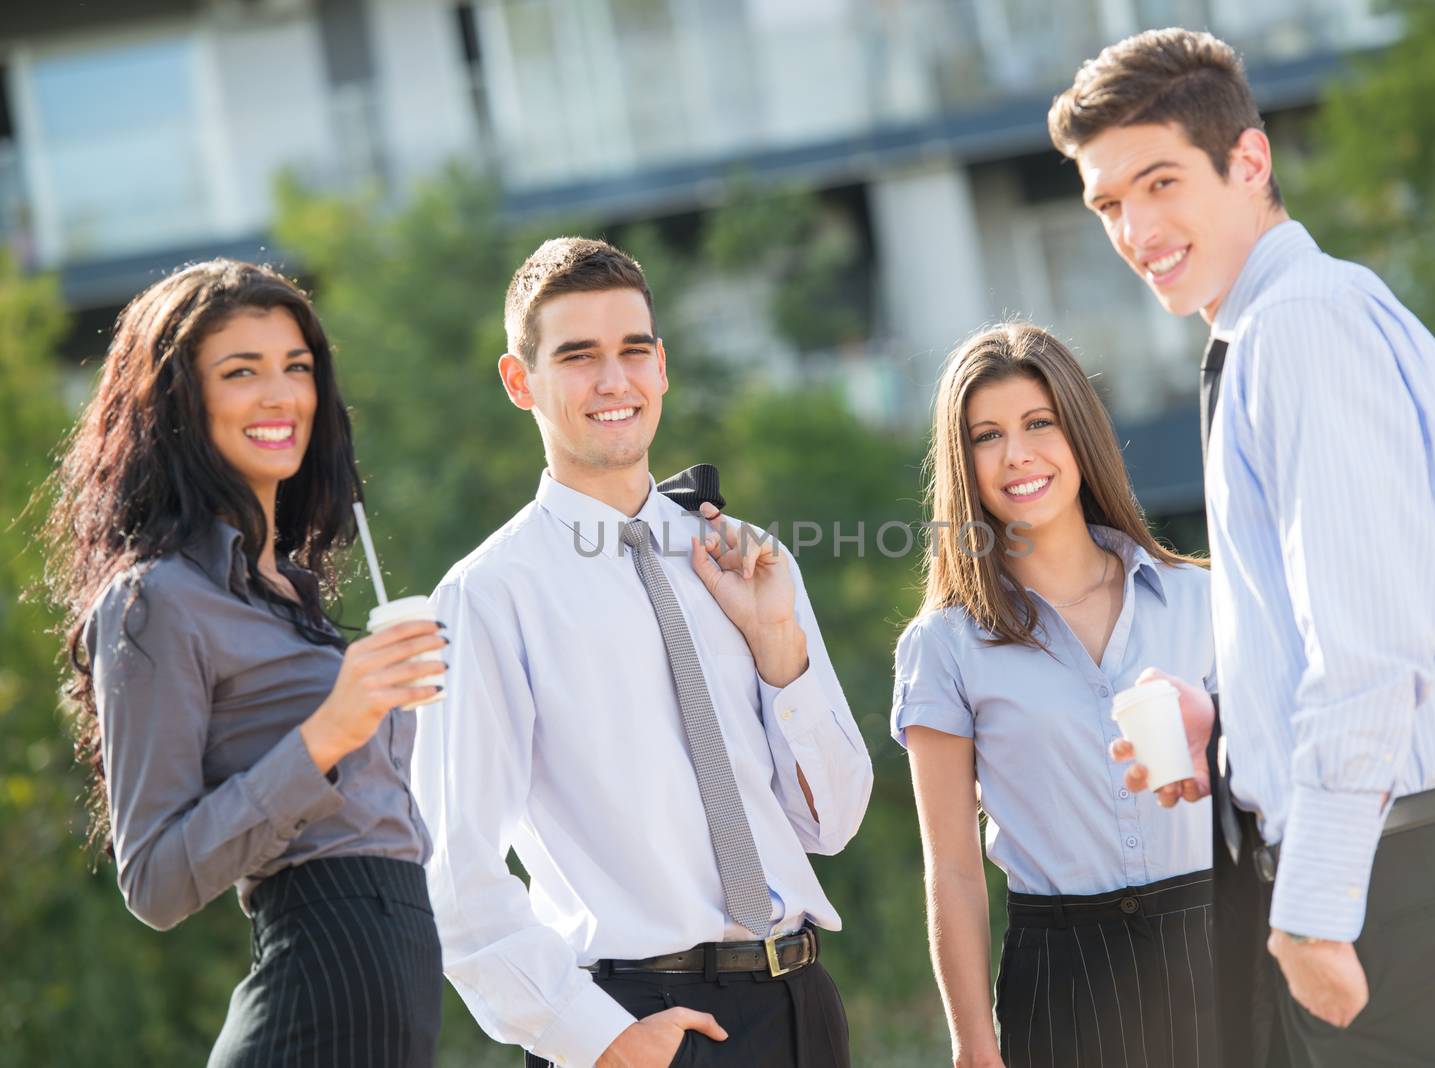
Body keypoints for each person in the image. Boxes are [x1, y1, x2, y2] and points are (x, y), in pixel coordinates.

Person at [1048, 27, 1435, 1067]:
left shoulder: (1299, 332)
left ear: (1249, 160)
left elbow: (1372, 641)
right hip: (1415, 870)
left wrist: (1317, 906)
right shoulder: (1307, 320)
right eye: (1109, 204)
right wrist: (1231, 722)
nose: (1136, 229)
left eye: (1159, 183)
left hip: (1388, 885)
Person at [410, 237, 872, 1068]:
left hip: (800, 1008)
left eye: (632, 352)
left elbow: (832, 823)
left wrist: (779, 647)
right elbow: (451, 864)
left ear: (662, 366)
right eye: (578, 356)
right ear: (522, 382)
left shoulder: (749, 559)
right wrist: (592, 1037)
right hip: (632, 1022)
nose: (613, 381)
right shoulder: (489, 596)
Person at [44, 260, 449, 1066]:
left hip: (395, 988)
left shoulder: (292, 597)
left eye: (297, 368)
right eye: (242, 372)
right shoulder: (157, 599)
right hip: (314, 990)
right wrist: (326, 735)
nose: (281, 396)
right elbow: (155, 881)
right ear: (178, 406)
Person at [893, 323, 1218, 1068]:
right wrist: (973, 1041)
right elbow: (952, 869)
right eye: (986, 435)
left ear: (1080, 433)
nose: (1017, 455)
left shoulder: (1202, 602)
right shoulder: (945, 646)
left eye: (1039, 423)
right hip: (1064, 976)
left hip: (1223, 941)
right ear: (962, 462)